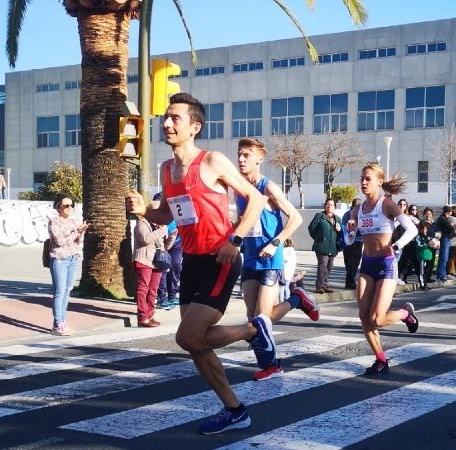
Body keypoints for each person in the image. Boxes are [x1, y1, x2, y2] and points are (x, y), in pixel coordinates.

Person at [126, 92, 276, 435]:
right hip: (191, 261)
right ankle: (235, 410)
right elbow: (166, 214)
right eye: (165, 117)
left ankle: (254, 330)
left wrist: (234, 240)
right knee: (197, 345)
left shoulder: (211, 161)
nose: (166, 123)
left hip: (218, 259)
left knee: (188, 337)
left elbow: (256, 198)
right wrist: (142, 212)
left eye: (175, 118)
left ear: (195, 127)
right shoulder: (166, 169)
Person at [235, 137, 319, 381]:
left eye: (246, 155)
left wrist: (275, 243)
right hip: (250, 257)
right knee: (254, 319)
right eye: (239, 155)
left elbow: (295, 218)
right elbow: (243, 222)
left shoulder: (267, 187)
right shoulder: (239, 190)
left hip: (271, 258)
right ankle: (297, 299)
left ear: (259, 158)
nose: (241, 159)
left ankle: (273, 364)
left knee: (262, 318)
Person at [344, 164, 419, 376]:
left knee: (377, 318)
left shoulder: (386, 205)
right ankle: (381, 359)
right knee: (364, 316)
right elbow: (350, 241)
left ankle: (405, 313)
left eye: (368, 179)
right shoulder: (357, 209)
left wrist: (396, 246)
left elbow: (411, 229)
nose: (363, 182)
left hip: (386, 264)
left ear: (379, 181)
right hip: (367, 265)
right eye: (361, 179)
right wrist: (350, 231)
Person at [47, 195, 89, 336]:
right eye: (66, 205)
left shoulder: (73, 221)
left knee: (67, 291)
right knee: (59, 292)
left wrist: (81, 232)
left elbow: (77, 242)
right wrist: (77, 232)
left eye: (71, 205)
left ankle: (61, 321)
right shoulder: (54, 222)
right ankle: (58, 324)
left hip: (73, 258)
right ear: (58, 207)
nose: (70, 208)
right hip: (60, 259)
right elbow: (60, 241)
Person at [133, 203, 167, 327]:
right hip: (144, 259)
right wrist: (161, 231)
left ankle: (150, 314)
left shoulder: (159, 225)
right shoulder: (142, 223)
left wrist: (169, 235)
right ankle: (142, 317)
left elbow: (164, 244)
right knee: (143, 288)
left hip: (157, 261)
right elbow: (145, 239)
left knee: (153, 290)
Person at [308, 198, 341, 294]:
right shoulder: (320, 216)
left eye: (331, 205)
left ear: (334, 207)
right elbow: (311, 228)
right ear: (325, 206)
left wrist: (339, 230)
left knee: (329, 266)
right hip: (321, 246)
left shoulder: (337, 219)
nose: (329, 206)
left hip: (333, 246)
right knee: (323, 265)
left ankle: (325, 284)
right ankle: (319, 286)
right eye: (327, 204)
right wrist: (318, 238)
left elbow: (341, 233)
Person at [341, 198, 363, 290]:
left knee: (351, 263)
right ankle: (350, 282)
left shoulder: (347, 214)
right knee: (352, 263)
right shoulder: (351, 215)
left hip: (355, 241)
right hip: (353, 241)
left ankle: (350, 281)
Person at [434, 206, 456, 282]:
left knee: (444, 257)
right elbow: (451, 228)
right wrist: (452, 226)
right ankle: (441, 274)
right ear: (448, 212)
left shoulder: (445, 218)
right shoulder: (443, 219)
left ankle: (440, 274)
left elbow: (451, 228)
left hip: (447, 238)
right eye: (450, 211)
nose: (450, 213)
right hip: (445, 239)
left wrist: (452, 226)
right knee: (444, 257)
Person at [414, 221, 436, 290]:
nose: (424, 230)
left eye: (425, 229)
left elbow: (433, 245)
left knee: (427, 271)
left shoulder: (429, 237)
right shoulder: (418, 237)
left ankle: (425, 283)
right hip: (422, 256)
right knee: (422, 272)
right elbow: (418, 246)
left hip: (428, 256)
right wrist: (426, 245)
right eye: (422, 229)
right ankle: (422, 285)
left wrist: (435, 246)